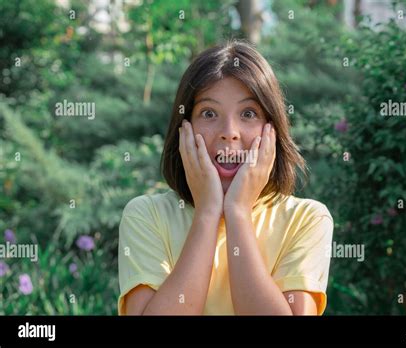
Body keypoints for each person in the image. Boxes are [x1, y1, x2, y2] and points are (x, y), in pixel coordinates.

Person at [118, 40, 334, 315]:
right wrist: (207, 212)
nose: (229, 132)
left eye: (248, 113)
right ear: (183, 129)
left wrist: (238, 212)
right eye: (209, 113)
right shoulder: (146, 215)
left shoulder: (307, 219)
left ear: (273, 129)